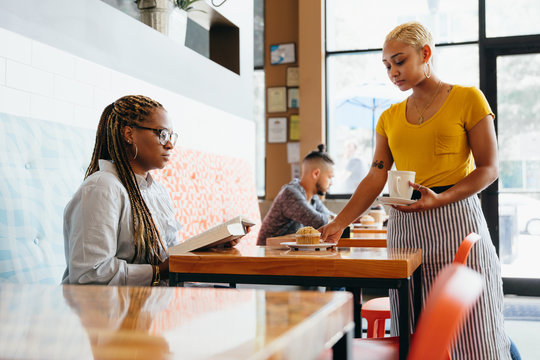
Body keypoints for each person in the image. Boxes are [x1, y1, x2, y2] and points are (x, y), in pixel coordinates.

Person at [320, 22, 518, 359]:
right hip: (405, 228)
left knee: (475, 328)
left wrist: (440, 198)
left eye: (399, 62)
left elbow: (489, 168)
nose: (393, 72)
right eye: (387, 66)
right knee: (416, 331)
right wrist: (340, 222)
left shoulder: (468, 98)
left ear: (425, 53)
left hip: (458, 224)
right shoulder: (389, 117)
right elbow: (375, 175)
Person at [62, 95, 238, 286]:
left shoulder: (156, 191)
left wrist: (209, 247)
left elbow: (166, 253)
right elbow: (90, 274)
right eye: (162, 134)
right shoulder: (102, 188)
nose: (169, 144)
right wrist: (158, 271)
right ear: (129, 134)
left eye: (171, 136)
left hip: (151, 303)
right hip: (108, 310)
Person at [257, 144, 335, 245]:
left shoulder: (313, 197)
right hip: (269, 254)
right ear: (316, 173)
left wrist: (335, 220)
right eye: (329, 177)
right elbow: (318, 221)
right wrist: (335, 220)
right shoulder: (290, 194)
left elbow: (330, 218)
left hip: (290, 252)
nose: (331, 183)